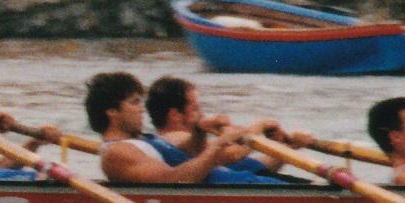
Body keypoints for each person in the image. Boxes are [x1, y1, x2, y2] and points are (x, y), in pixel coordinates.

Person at [85, 71, 267, 185]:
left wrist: (199, 130)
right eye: (134, 103)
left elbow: (192, 154)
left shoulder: (141, 140)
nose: (142, 109)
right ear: (112, 111)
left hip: (244, 183)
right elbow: (174, 180)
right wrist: (219, 144)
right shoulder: (117, 152)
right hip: (236, 191)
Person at [140, 75, 291, 185]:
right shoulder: (173, 137)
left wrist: (288, 147)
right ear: (175, 115)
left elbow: (261, 167)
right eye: (196, 109)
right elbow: (234, 154)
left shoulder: (196, 147)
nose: (202, 114)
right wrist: (261, 125)